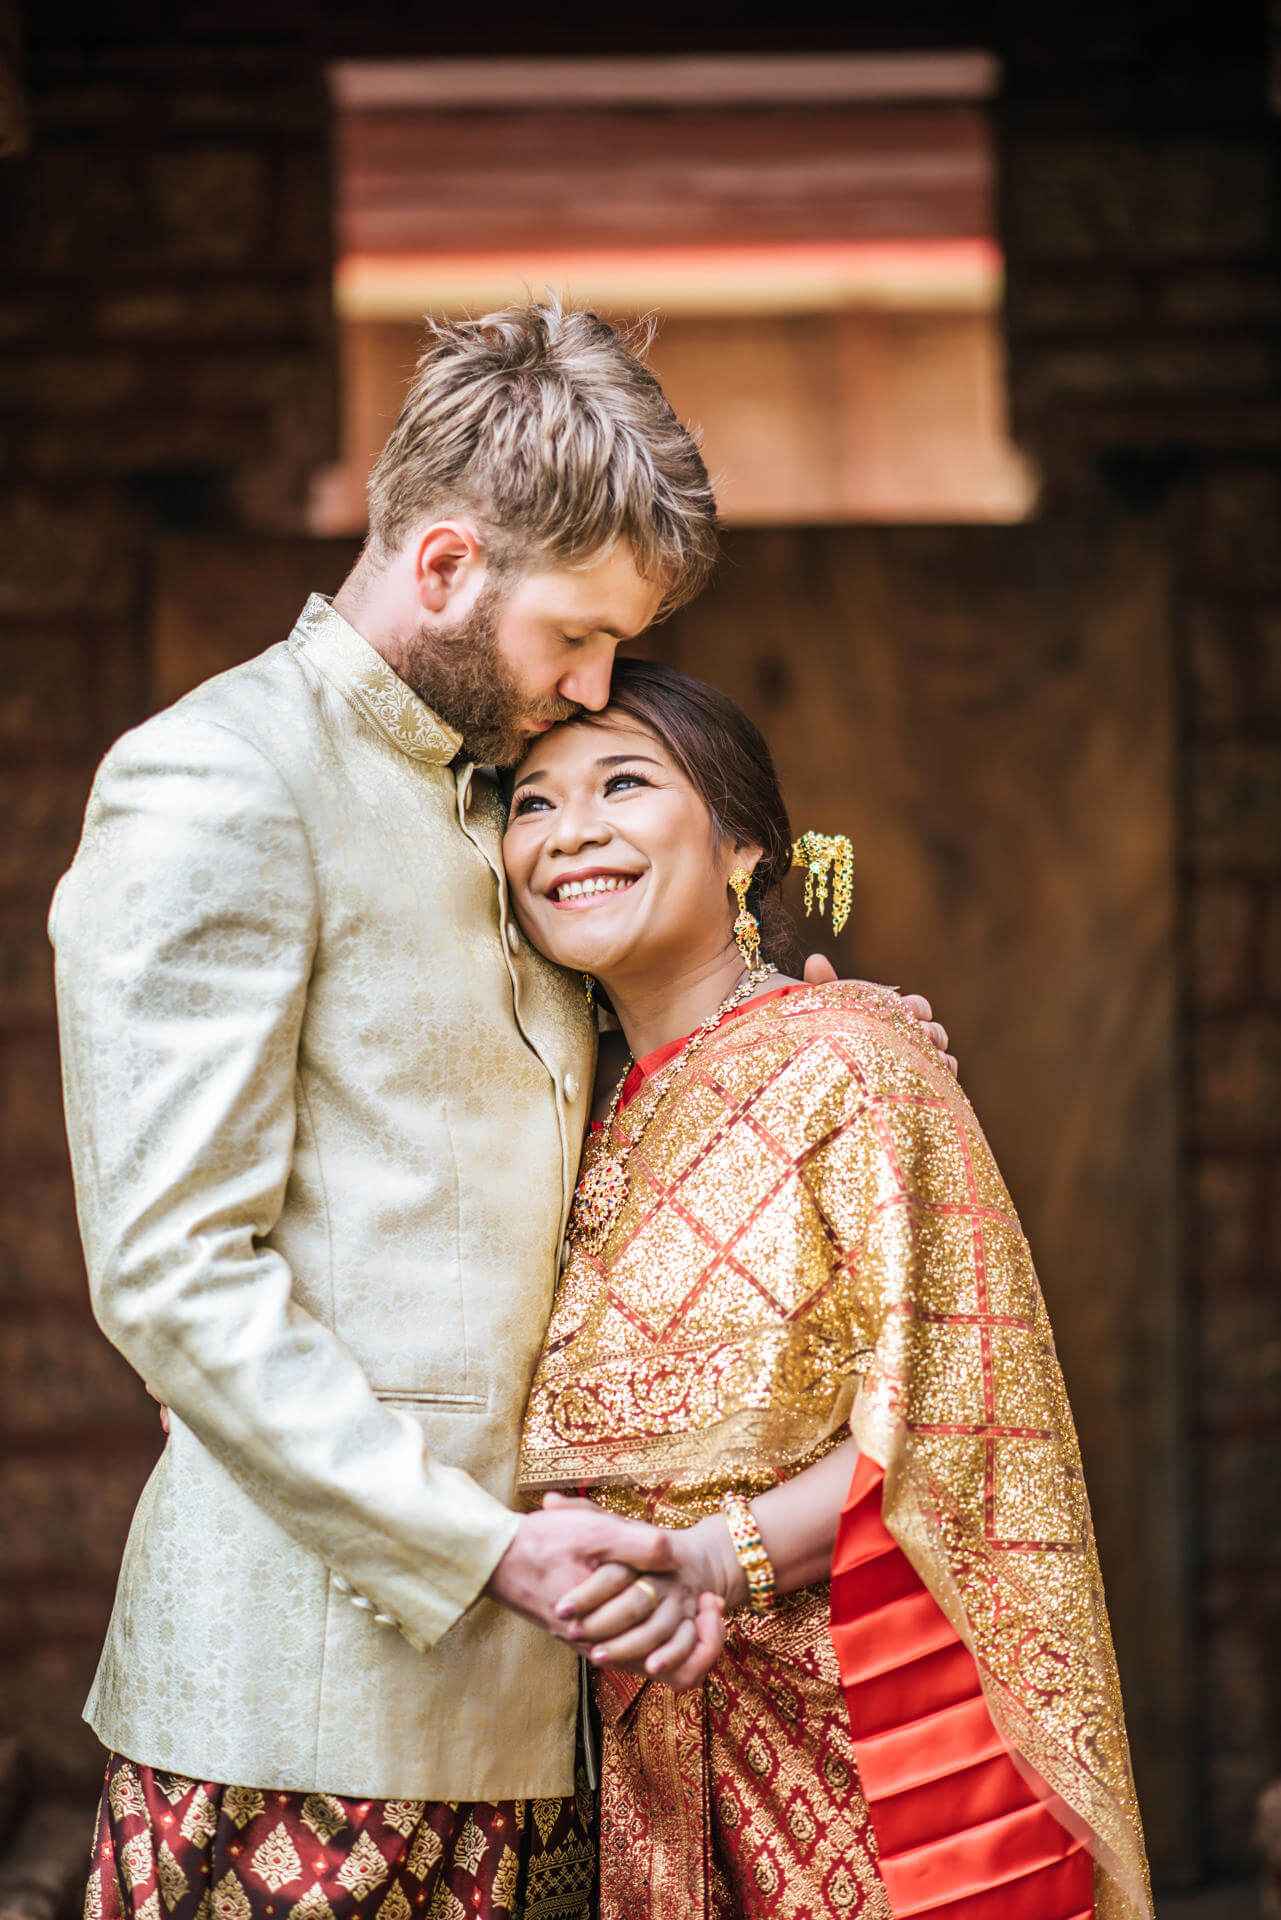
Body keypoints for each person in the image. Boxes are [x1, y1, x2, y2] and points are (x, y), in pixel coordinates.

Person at [50, 300, 954, 1920]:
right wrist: (481, 1550)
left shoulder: (504, 796)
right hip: (296, 1713)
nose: (595, 686)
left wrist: (815, 1034)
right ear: (448, 564)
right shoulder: (223, 783)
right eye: (577, 637)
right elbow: (172, 1270)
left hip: (552, 1724)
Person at [507, 659, 1154, 1920]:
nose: (570, 830)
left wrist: (707, 1558)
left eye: (624, 784)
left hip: (861, 1746)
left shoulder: (853, 1066)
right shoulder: (550, 1116)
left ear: (744, 846)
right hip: (626, 1765)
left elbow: (949, 1426)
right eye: (533, 802)